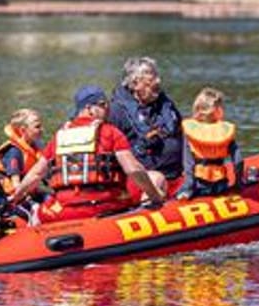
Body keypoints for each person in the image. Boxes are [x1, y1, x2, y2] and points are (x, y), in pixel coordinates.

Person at [10, 85, 164, 223]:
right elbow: (133, 169)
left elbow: (36, 174)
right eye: (103, 105)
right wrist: (155, 196)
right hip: (105, 206)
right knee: (157, 177)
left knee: (41, 209)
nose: (108, 109)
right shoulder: (110, 132)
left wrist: (16, 197)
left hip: (64, 210)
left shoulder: (60, 137)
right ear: (90, 109)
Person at [108, 56, 183, 192]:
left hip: (177, 175)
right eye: (151, 79)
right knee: (157, 179)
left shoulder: (167, 105)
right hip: (147, 181)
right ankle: (150, 206)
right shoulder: (116, 112)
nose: (158, 82)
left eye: (157, 77)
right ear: (135, 83)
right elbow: (111, 154)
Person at [176, 87, 243, 201]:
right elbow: (238, 161)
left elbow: (189, 164)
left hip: (199, 185)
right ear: (218, 110)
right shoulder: (224, 131)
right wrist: (238, 182)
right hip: (220, 185)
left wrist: (187, 188)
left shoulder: (191, 131)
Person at [0, 108, 44, 197]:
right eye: (37, 126)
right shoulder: (14, 151)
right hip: (14, 197)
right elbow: (16, 184)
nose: (42, 129)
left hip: (31, 193)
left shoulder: (35, 148)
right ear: (23, 130)